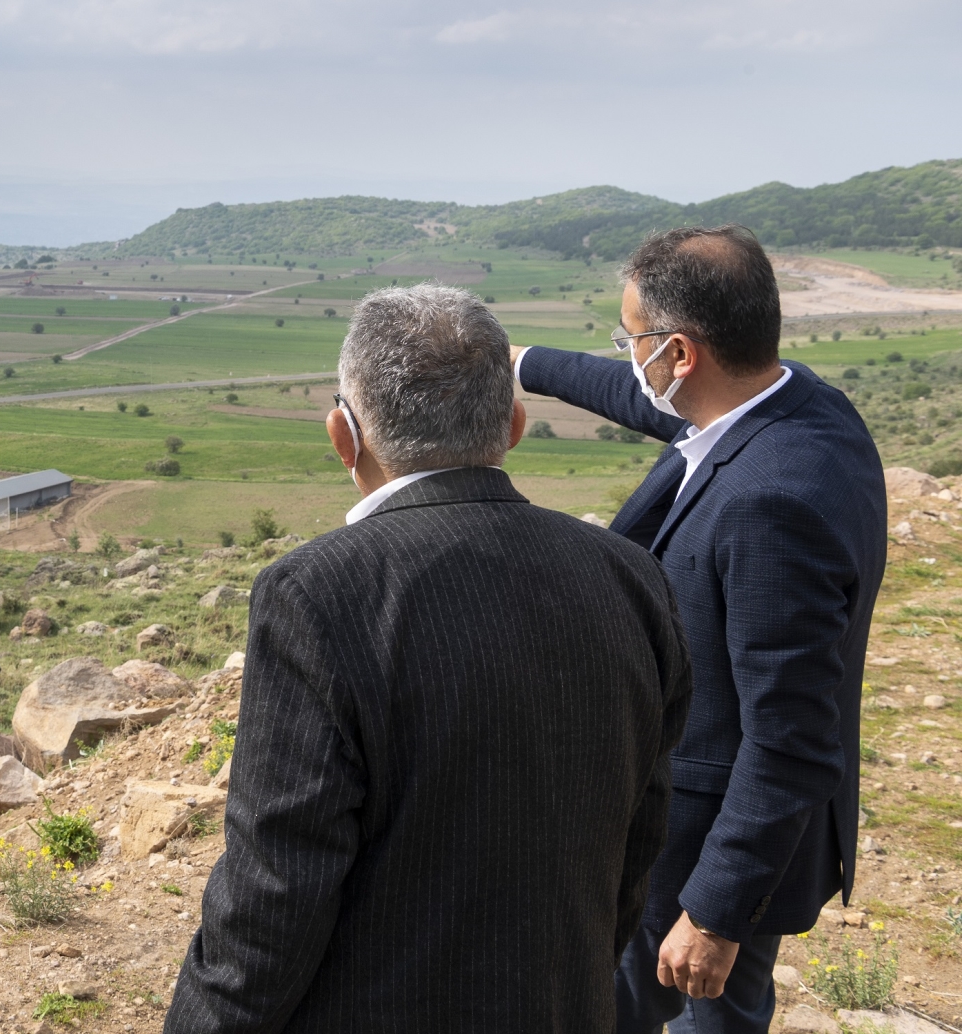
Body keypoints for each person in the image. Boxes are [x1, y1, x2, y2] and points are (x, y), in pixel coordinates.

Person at [166, 284, 691, 1034]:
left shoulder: (314, 596)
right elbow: (640, 833)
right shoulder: (631, 577)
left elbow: (275, 889)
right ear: (513, 424)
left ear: (343, 435)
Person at [513, 225, 886, 1033]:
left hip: (704, 848)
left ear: (680, 354)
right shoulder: (796, 405)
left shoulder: (770, 504)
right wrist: (516, 363)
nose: (628, 357)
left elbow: (792, 735)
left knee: (614, 1012)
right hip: (747, 838)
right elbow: (637, 397)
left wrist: (714, 912)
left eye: (633, 341)